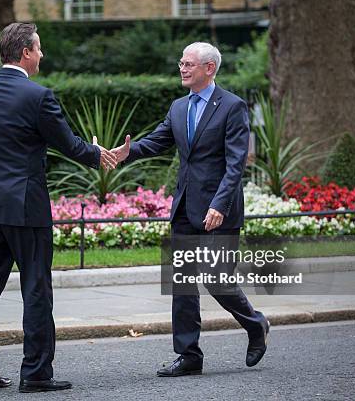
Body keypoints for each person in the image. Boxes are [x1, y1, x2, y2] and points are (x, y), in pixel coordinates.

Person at [0, 22, 116, 393]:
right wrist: (97, 153)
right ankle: (36, 373)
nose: (42, 55)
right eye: (39, 48)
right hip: (25, 209)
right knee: (36, 289)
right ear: (26, 52)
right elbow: (69, 145)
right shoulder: (38, 96)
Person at [110, 42, 269, 377]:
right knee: (182, 283)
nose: (182, 68)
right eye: (180, 63)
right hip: (184, 207)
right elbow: (156, 141)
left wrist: (219, 204)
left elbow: (236, 163)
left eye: (189, 64)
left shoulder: (232, 106)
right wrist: (127, 152)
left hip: (218, 209)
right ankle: (188, 355)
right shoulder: (179, 107)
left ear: (209, 68)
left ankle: (256, 325)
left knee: (217, 280)